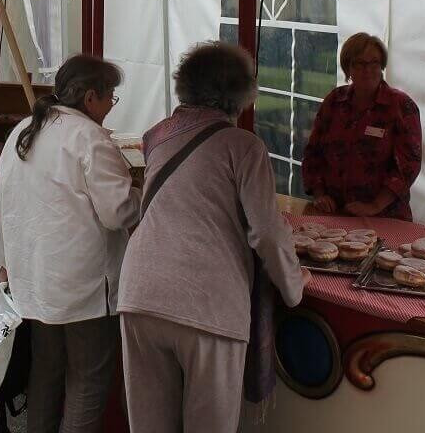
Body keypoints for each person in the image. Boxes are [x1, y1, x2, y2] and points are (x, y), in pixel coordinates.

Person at [117, 42, 307, 432]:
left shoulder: (158, 135)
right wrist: (293, 287)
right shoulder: (243, 146)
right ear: (241, 94)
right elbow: (268, 233)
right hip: (207, 303)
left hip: (139, 293)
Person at [0, 54, 140, 433]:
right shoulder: (89, 138)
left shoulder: (24, 129)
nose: (110, 107)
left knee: (46, 372)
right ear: (91, 97)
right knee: (88, 380)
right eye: (110, 98)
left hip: (33, 278)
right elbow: (118, 212)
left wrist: (4, 263)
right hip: (84, 286)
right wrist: (142, 191)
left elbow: (1, 204)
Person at [301, 32, 422, 220]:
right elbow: (313, 152)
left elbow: (409, 165)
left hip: (385, 217)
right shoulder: (334, 101)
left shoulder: (400, 106)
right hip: (334, 213)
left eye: (374, 63)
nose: (368, 70)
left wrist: (374, 206)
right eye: (360, 63)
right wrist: (319, 194)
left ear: (381, 66)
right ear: (348, 68)